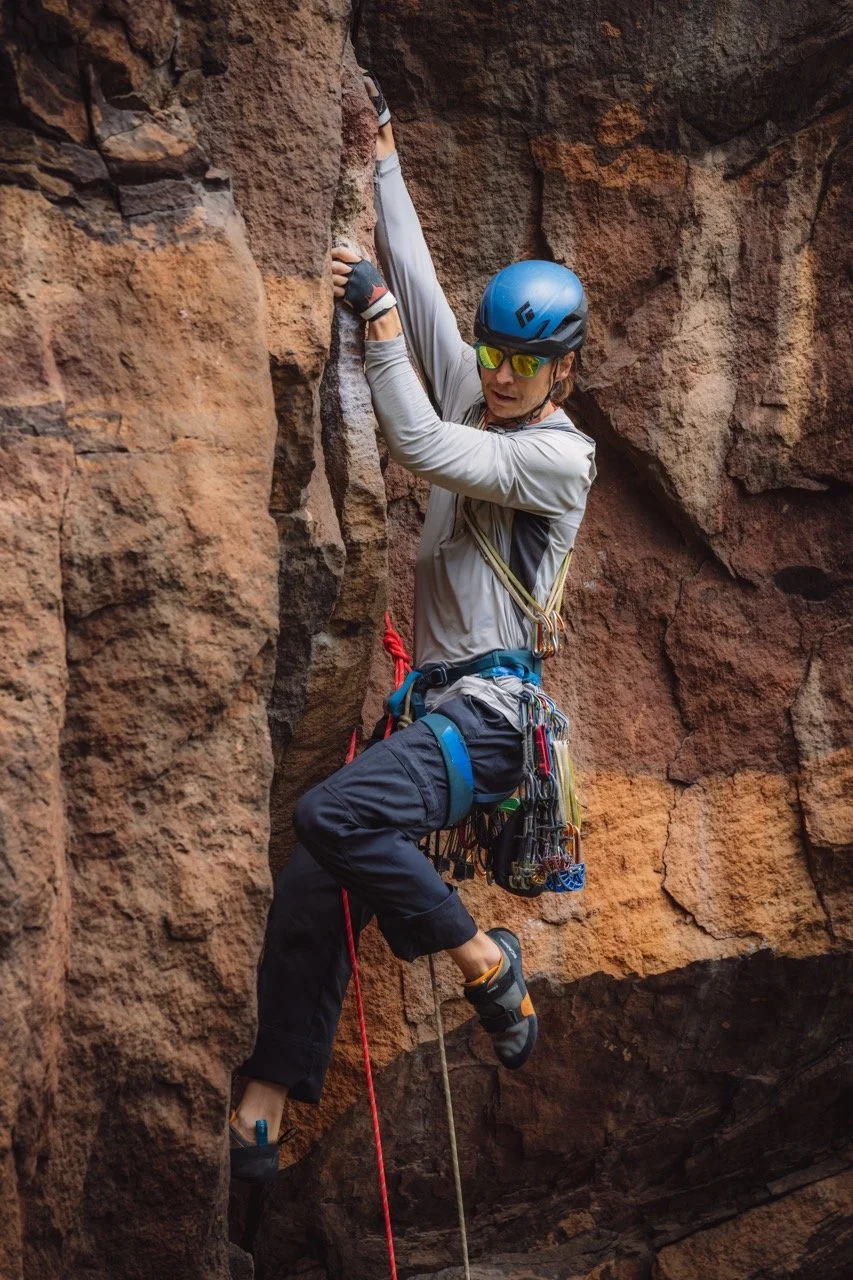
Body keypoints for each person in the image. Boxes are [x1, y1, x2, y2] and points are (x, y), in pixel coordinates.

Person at [230, 74, 596, 1182]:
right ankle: (263, 1106)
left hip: (489, 723)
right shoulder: (484, 386)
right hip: (433, 711)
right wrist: (380, 154)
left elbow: (425, 449)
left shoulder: (553, 455)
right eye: (493, 353)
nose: (497, 372)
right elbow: (432, 300)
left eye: (525, 362)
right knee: (312, 869)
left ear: (565, 369)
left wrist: (375, 325)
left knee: (329, 811)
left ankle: (489, 961)